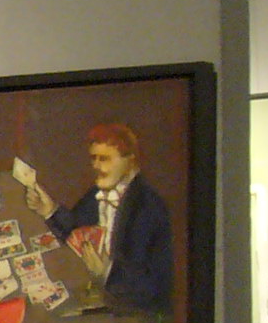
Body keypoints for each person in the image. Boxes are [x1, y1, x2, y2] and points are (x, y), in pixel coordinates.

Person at [24, 122, 172, 311]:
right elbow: (76, 231)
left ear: (130, 161)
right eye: (94, 158)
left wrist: (107, 271)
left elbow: (152, 288)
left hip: (128, 311)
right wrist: (49, 210)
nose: (95, 166)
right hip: (90, 290)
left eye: (105, 159)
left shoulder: (149, 208)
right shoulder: (98, 192)